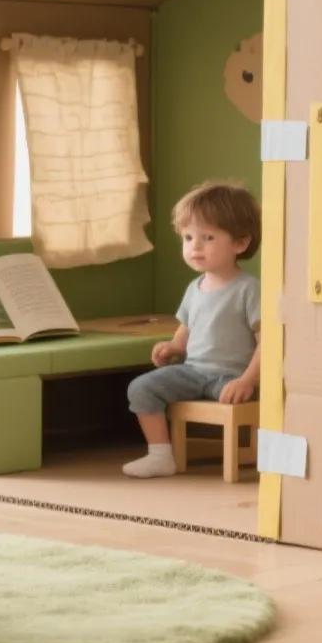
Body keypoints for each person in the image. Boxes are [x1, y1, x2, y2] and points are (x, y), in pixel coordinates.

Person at [122, 180, 262, 479]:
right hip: (194, 371)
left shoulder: (248, 289)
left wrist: (248, 380)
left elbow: (269, 342)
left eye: (207, 237)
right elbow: (187, 328)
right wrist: (174, 347)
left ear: (240, 242)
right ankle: (159, 455)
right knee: (141, 387)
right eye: (187, 237)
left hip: (230, 375)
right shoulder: (194, 288)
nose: (194, 246)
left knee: (229, 393)